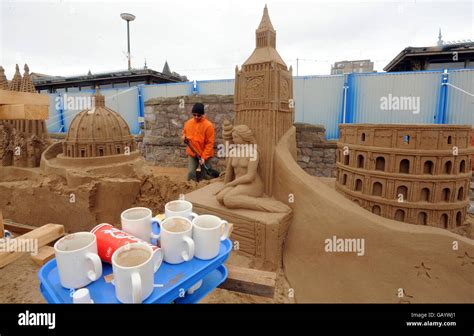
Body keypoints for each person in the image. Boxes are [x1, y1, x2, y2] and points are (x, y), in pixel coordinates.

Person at [182, 103, 215, 181]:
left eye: (199, 115)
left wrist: (203, 157)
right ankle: (191, 188)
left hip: (205, 155)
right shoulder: (188, 123)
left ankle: (204, 189)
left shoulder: (208, 126)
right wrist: (184, 137)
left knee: (205, 176)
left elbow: (210, 144)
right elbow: (184, 133)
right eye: (194, 115)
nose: (196, 117)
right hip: (193, 154)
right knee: (191, 173)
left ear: (203, 114)